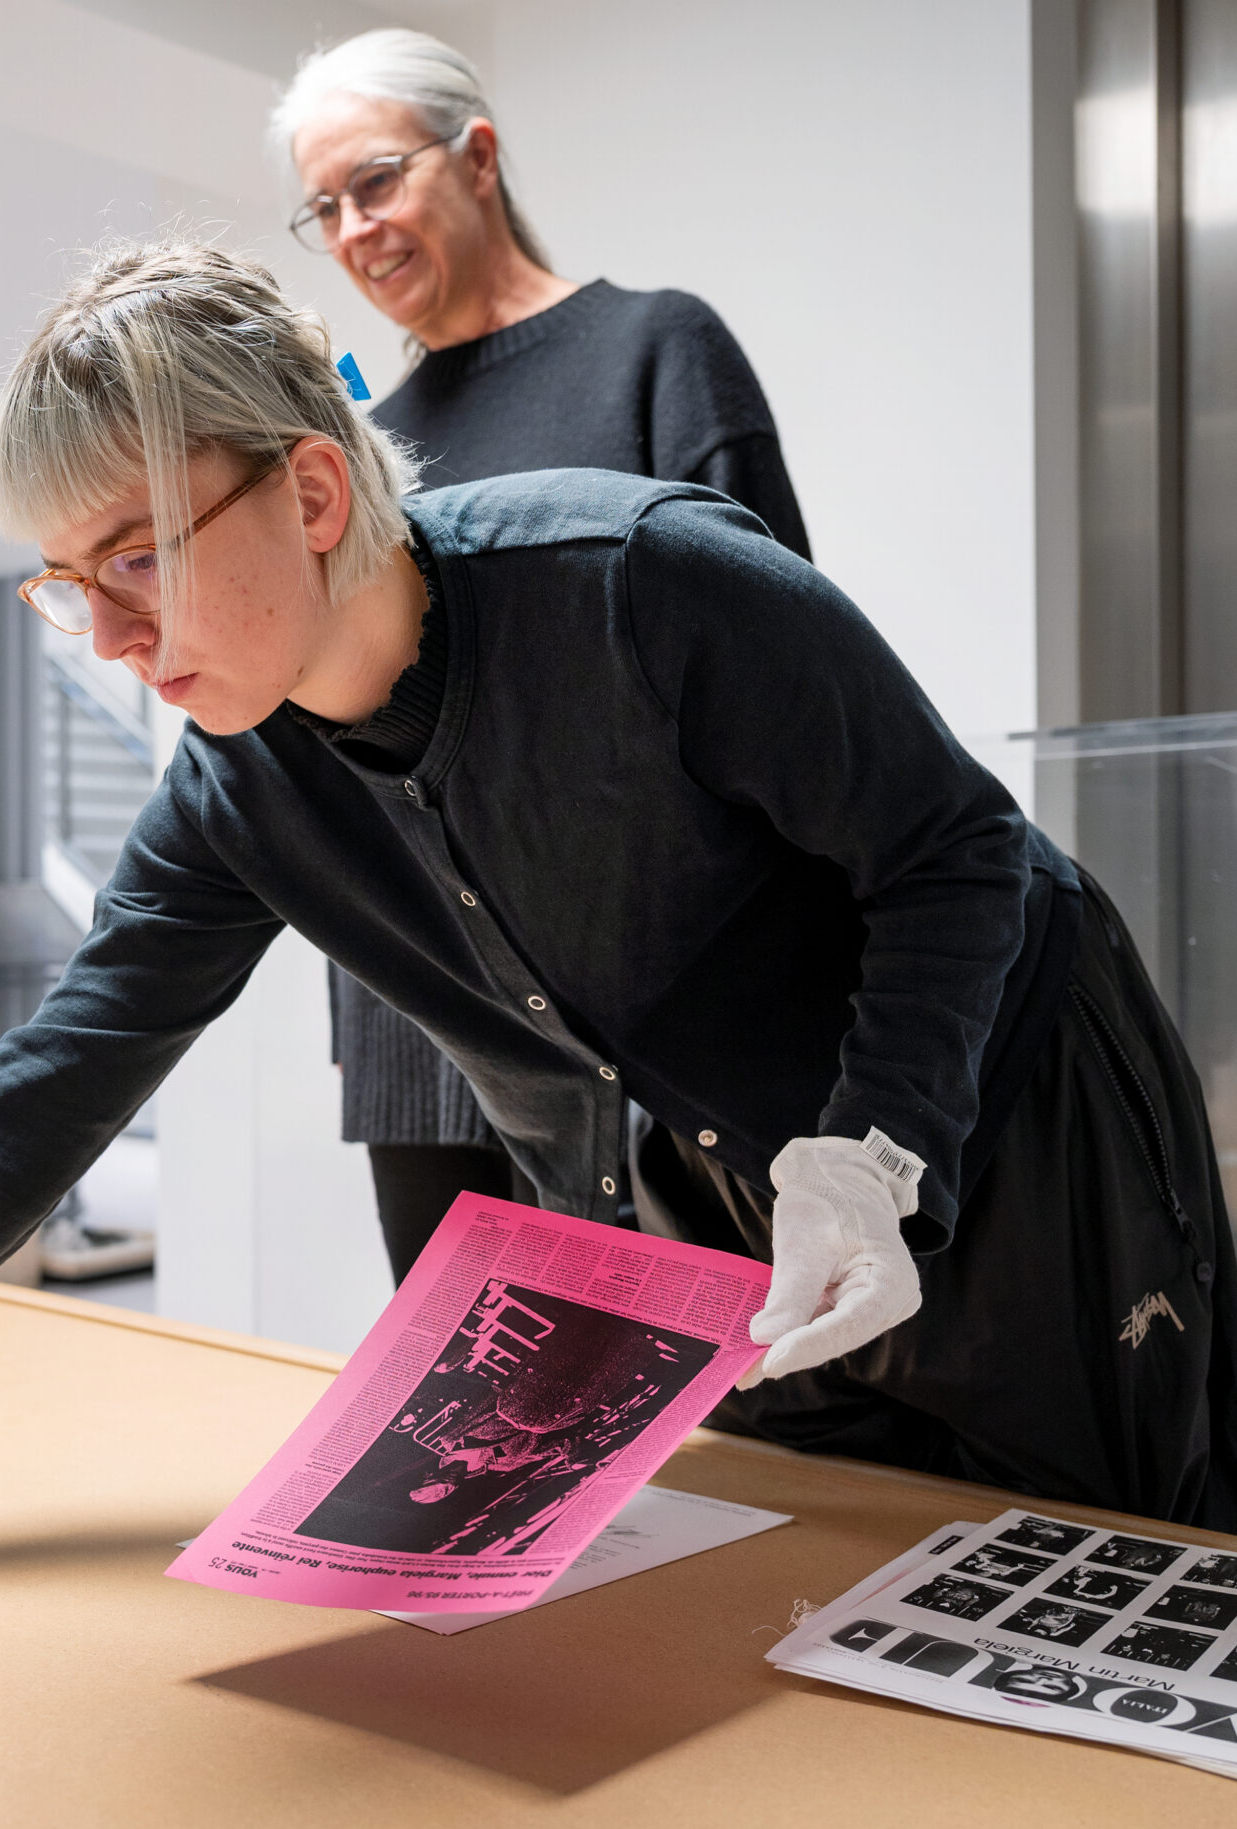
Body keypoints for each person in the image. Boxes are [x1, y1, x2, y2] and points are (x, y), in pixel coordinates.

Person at [0, 238, 1237, 1583]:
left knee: (1118, 1558)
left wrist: (877, 1150)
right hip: (733, 1177)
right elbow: (45, 1085)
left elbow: (958, 854)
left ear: (315, 487)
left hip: (1006, 1100)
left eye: (139, 558)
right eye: (68, 585)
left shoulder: (639, 582)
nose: (112, 635)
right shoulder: (239, 792)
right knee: (833, 1562)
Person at [272, 30, 814, 1282]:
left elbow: (782, 686)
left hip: (648, 1011)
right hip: (421, 1026)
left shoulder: (655, 351)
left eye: (374, 181)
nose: (353, 229)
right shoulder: (360, 453)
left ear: (477, 156)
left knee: (701, 1381)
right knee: (472, 1390)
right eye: (323, 208)